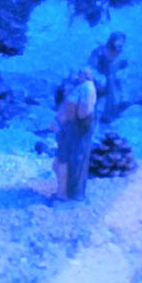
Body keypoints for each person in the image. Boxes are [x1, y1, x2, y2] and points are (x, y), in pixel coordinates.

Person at [54, 67, 97, 201]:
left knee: (63, 162)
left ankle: (64, 193)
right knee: (60, 163)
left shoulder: (86, 88)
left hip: (73, 130)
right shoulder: (80, 89)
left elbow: (83, 113)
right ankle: (63, 192)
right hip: (68, 129)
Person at [88, 32, 127, 124]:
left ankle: (110, 117)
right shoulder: (100, 52)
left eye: (122, 41)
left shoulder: (121, 55)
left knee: (114, 97)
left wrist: (121, 75)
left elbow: (124, 68)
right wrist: (99, 78)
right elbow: (91, 66)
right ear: (112, 40)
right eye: (118, 40)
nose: (120, 43)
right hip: (99, 81)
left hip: (113, 82)